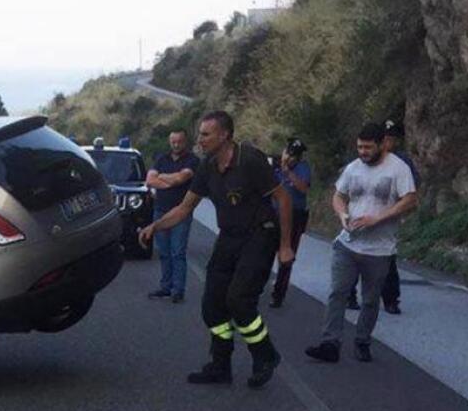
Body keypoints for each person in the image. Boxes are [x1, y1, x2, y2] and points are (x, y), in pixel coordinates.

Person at [139, 111, 295, 388]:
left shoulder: (250, 160)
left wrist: (285, 246)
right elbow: (185, 207)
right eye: (199, 134)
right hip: (229, 237)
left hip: (260, 235)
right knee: (212, 304)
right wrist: (156, 226)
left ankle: (265, 355)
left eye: (205, 134)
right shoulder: (207, 166)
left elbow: (283, 199)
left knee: (239, 300)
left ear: (224, 135)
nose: (199, 140)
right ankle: (220, 366)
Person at [306, 123, 418, 364]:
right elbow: (339, 195)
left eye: (368, 147)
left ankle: (362, 341)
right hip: (348, 244)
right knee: (338, 293)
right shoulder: (353, 168)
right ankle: (330, 343)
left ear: (382, 144)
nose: (363, 152)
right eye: (359, 147)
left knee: (370, 299)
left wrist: (378, 218)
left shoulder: (398, 169)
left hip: (379, 250)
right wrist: (342, 215)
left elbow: (410, 200)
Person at [346, 119, 420, 313]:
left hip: (387, 217)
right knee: (353, 254)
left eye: (391, 139)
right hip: (360, 216)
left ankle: (390, 299)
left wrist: (399, 209)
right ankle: (349, 294)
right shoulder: (364, 159)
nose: (387, 143)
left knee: (387, 259)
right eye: (385, 139)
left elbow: (411, 190)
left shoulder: (401, 163)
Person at [145, 129, 201, 303]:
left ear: (185, 142)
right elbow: (150, 180)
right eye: (173, 142)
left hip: (181, 211)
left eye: (179, 142)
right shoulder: (161, 159)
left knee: (177, 252)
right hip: (160, 210)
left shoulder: (192, 160)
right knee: (164, 252)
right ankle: (165, 287)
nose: (176, 145)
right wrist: (170, 181)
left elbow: (181, 178)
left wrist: (162, 177)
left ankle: (178, 290)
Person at [269, 139, 312, 308]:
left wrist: (288, 172)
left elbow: (304, 188)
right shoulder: (275, 164)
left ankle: (278, 294)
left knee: (287, 255)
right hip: (274, 212)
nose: (290, 158)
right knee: (265, 250)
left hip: (295, 215)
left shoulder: (303, 168)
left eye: (295, 156)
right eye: (289, 153)